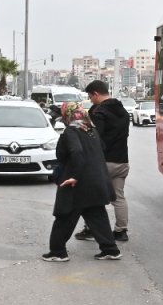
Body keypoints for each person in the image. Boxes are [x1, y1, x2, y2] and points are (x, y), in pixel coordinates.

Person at [41, 102, 121, 261]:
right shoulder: (91, 130)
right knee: (96, 214)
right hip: (96, 180)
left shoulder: (71, 131)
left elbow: (76, 151)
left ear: (66, 115)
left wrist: (75, 176)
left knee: (65, 214)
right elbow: (102, 149)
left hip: (77, 183)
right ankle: (110, 250)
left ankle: (57, 252)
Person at [75, 80, 131, 243]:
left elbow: (94, 138)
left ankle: (91, 229)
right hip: (121, 161)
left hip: (103, 162)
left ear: (96, 94)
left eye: (90, 96)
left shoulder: (99, 113)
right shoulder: (123, 111)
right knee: (118, 197)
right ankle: (121, 231)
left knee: (93, 196)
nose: (90, 100)